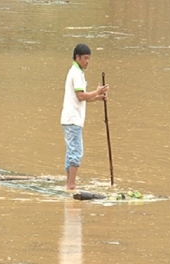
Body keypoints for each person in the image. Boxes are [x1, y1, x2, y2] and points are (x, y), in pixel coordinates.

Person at [60, 43, 109, 190]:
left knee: (71, 151)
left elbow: (82, 98)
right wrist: (97, 91)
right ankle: (71, 184)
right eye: (85, 58)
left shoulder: (76, 72)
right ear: (78, 57)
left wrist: (98, 96)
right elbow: (81, 96)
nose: (87, 61)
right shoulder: (76, 73)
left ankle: (69, 183)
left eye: (89, 59)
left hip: (69, 118)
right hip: (73, 119)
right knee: (76, 151)